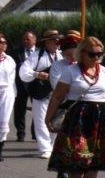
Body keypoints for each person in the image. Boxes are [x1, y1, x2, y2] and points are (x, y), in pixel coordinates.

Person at [45, 37, 105, 178]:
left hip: (99, 118)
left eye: (100, 54)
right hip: (78, 117)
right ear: (82, 53)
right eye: (92, 54)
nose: (96, 57)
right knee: (78, 157)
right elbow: (57, 96)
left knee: (95, 159)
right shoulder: (71, 71)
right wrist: (48, 118)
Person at [18, 30, 60, 160]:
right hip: (41, 93)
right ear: (47, 42)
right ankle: (45, 148)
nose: (57, 43)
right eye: (54, 40)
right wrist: (37, 74)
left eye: (58, 40)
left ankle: (52, 146)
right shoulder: (37, 55)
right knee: (40, 120)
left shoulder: (61, 55)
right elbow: (23, 71)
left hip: (57, 94)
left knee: (56, 120)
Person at [48, 31, 82, 178]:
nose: (70, 57)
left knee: (78, 139)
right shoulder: (57, 66)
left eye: (72, 54)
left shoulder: (84, 65)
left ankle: (75, 168)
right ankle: (62, 169)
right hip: (64, 106)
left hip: (82, 106)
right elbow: (57, 87)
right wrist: (75, 88)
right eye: (67, 54)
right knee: (63, 139)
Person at [12, 30, 38, 142]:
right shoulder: (15, 52)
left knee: (37, 109)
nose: (25, 41)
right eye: (24, 39)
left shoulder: (41, 52)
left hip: (36, 84)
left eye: (28, 39)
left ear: (34, 40)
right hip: (20, 84)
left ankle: (35, 133)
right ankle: (20, 133)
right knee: (19, 109)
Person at [0, 33, 15, 161]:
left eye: (5, 42)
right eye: (1, 42)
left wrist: (13, 93)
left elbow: (12, 79)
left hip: (6, 93)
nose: (3, 44)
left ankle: (0, 149)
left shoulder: (9, 59)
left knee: (4, 123)